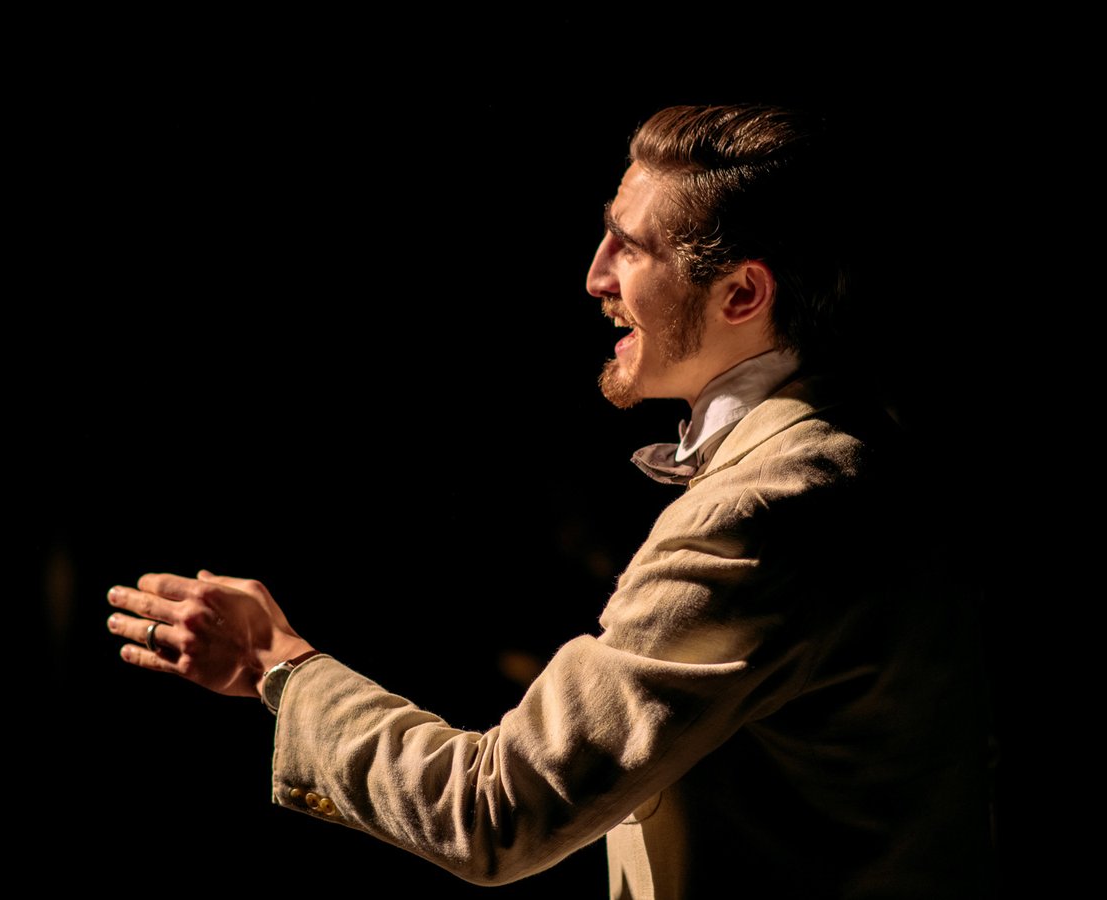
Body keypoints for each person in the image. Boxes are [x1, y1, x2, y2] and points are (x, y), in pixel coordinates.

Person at [106, 104, 994, 898]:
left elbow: (495, 811)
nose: (595, 276)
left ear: (742, 293)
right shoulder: (869, 443)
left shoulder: (768, 510)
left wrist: (280, 664)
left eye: (631, 248)